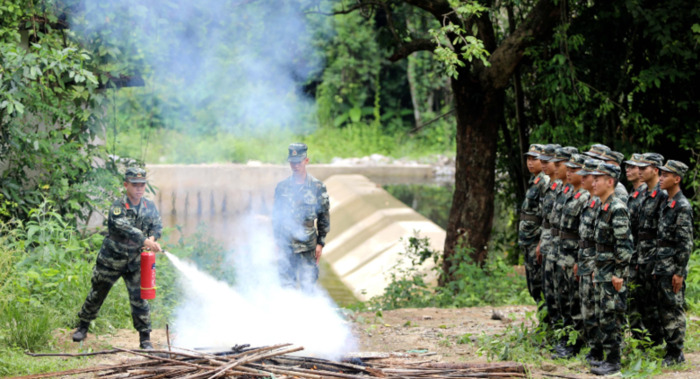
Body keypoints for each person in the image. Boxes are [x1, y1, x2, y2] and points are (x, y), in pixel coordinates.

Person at [72, 167, 163, 349]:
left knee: (139, 297)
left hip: (136, 261)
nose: (139, 188)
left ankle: (145, 338)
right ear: (126, 185)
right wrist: (145, 239)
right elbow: (124, 227)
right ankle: (82, 326)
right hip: (112, 259)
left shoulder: (149, 206)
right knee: (98, 292)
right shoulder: (118, 207)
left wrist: (152, 239)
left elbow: (157, 226)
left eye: (142, 185)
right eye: (135, 184)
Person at [588, 162, 633, 376]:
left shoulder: (617, 208)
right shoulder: (603, 206)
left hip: (613, 274)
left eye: (598, 178)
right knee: (603, 316)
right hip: (603, 270)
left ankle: (614, 361)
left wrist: (619, 273)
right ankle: (607, 357)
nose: (593, 182)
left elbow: (624, 245)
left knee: (612, 316)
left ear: (610, 181)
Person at [273, 143, 330, 292]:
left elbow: (323, 215)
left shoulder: (317, 187)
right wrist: (277, 242)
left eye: (298, 162)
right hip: (286, 244)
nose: (295, 165)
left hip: (308, 246)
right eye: (292, 162)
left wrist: (320, 243)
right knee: (286, 287)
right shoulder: (282, 187)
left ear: (306, 160)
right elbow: (276, 216)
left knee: (308, 286)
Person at [653, 160, 693, 366]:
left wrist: (679, 271)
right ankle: (670, 348)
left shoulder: (682, 206)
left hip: (672, 268)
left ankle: (676, 352)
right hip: (662, 264)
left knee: (673, 308)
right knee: (664, 307)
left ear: (676, 179)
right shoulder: (667, 202)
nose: (661, 178)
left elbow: (685, 243)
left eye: (665, 175)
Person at [551, 153, 589, 358]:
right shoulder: (570, 194)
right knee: (564, 299)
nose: (569, 173)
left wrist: (580, 260)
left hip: (574, 256)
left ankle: (576, 343)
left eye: (574, 171)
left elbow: (583, 233)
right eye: (570, 169)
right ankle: (567, 338)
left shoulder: (585, 197)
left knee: (575, 301)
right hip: (562, 255)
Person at [634, 152, 667, 345]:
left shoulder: (662, 195)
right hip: (642, 255)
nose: (639, 171)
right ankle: (653, 340)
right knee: (644, 301)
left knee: (659, 301)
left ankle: (666, 342)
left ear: (655, 170)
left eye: (643, 168)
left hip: (655, 255)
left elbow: (663, 231)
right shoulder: (644, 194)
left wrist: (658, 260)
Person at [574, 158, 603, 365]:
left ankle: (601, 350)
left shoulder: (602, 205)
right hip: (584, 261)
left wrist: (594, 265)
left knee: (597, 308)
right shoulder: (589, 202)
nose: (585, 180)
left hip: (595, 264)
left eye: (588, 177)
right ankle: (593, 348)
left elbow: (600, 241)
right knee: (586, 307)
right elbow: (583, 237)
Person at [518, 144, 550, 308]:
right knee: (533, 285)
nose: (530, 162)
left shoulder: (544, 181)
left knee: (539, 285)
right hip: (528, 239)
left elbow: (547, 216)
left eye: (534, 159)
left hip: (536, 238)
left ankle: (548, 325)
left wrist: (541, 242)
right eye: (528, 159)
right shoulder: (535, 180)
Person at [536, 143, 561, 326]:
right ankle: (552, 327)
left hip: (560, 245)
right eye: (541, 161)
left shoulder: (562, 187)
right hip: (548, 242)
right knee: (548, 287)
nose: (543, 165)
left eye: (548, 161)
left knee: (559, 290)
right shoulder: (548, 185)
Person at [624, 153, 648, 340]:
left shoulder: (646, 197)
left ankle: (645, 341)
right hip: (631, 256)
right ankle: (638, 340)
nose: (629, 170)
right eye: (628, 166)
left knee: (643, 301)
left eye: (633, 167)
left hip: (642, 257)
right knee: (632, 301)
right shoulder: (632, 195)